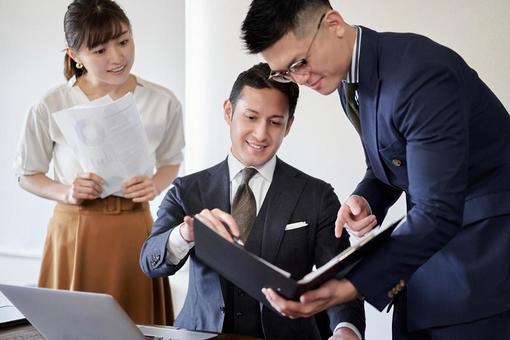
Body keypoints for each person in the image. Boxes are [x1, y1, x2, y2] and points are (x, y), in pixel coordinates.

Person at [240, 1, 510, 339]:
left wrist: (352, 285)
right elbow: (397, 159)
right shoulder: (346, 78)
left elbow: (438, 209)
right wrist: (366, 198)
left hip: (479, 268)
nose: (300, 78)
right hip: (422, 270)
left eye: (301, 62)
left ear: (334, 24)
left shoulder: (421, 76)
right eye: (286, 72)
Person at [140, 63, 365, 339]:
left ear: (289, 125)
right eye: (251, 117)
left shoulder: (318, 197)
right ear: (228, 112)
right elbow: (150, 263)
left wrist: (346, 330)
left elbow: (340, 279)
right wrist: (186, 233)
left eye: (274, 122)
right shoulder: (186, 190)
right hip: (199, 333)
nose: (260, 134)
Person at [13, 0, 184, 325]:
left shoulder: (162, 101)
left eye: (123, 42)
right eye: (100, 50)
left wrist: (154, 184)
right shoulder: (51, 104)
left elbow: (171, 162)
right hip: (74, 229)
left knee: (138, 327)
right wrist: (67, 192)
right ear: (74, 55)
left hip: (136, 227)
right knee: (71, 327)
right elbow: (26, 174)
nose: (117, 57)